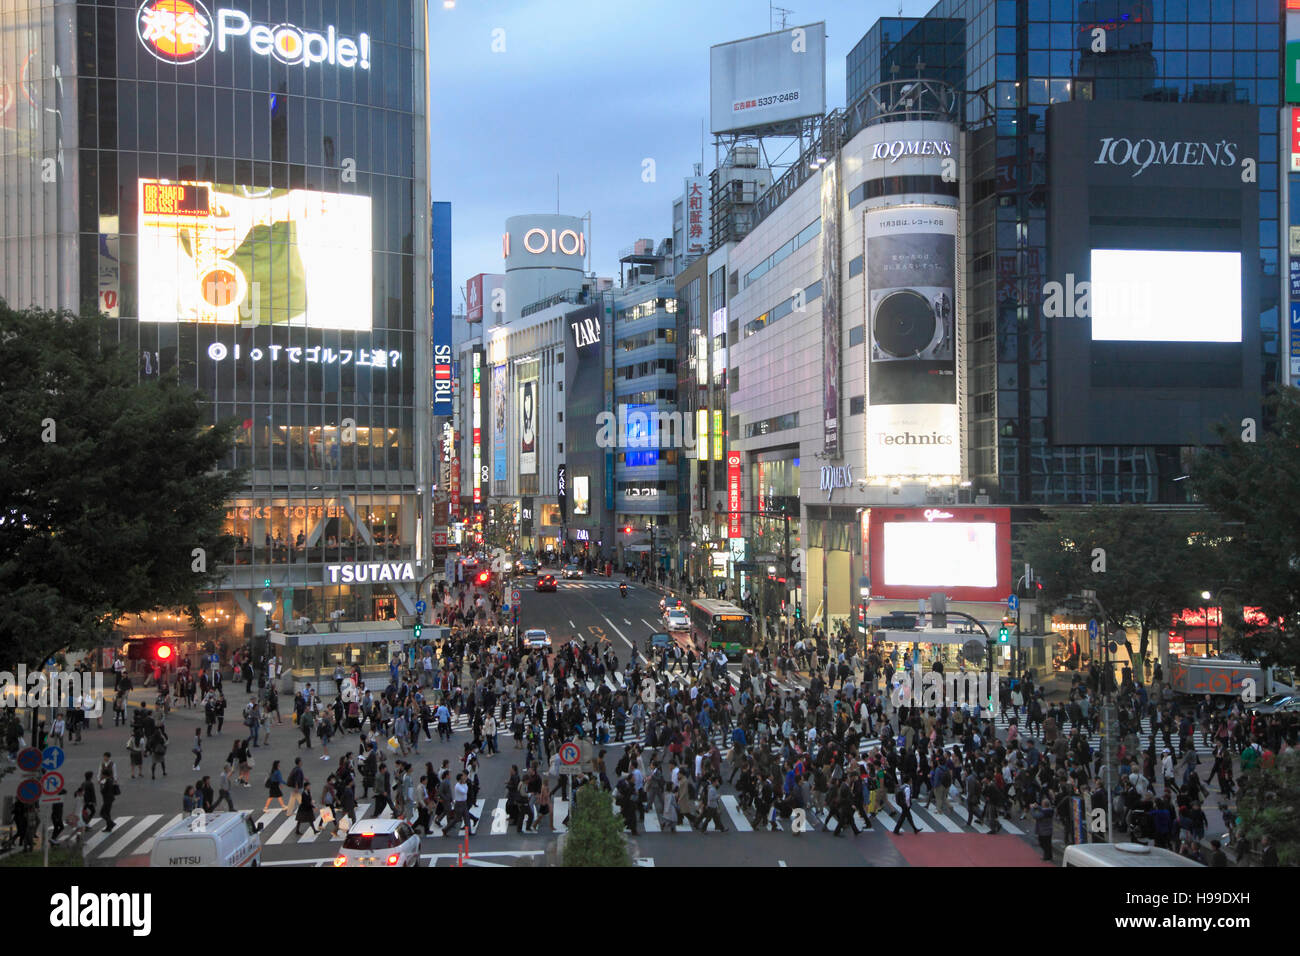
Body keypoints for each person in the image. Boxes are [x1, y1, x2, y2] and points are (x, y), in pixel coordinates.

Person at [1032, 797, 1055, 862]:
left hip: (1043, 831)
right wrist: (1037, 807)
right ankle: (1049, 856)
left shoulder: (1042, 813)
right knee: (1048, 843)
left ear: (1043, 804)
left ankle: (1046, 856)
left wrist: (1032, 809)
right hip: (1049, 830)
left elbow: (1035, 816)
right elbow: (1043, 809)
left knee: (1042, 843)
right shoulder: (1050, 811)